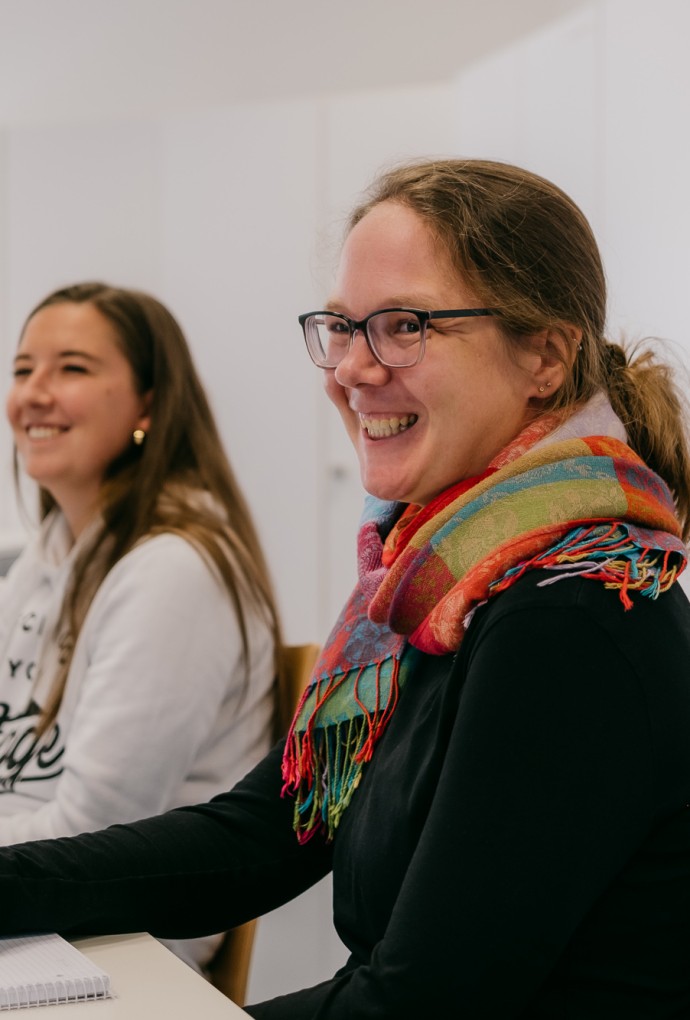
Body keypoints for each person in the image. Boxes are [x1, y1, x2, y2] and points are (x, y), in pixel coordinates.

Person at [0, 161, 688, 1018]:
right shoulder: (435, 579)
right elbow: (263, 835)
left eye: (405, 327)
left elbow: (416, 1005)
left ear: (544, 355)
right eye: (341, 327)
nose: (352, 369)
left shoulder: (571, 612)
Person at [0, 281, 283, 974]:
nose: (34, 393)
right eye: (23, 369)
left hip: (117, 947)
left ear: (148, 406)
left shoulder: (174, 570)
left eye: (72, 368)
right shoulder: (47, 557)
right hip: (32, 909)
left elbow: (95, 836)